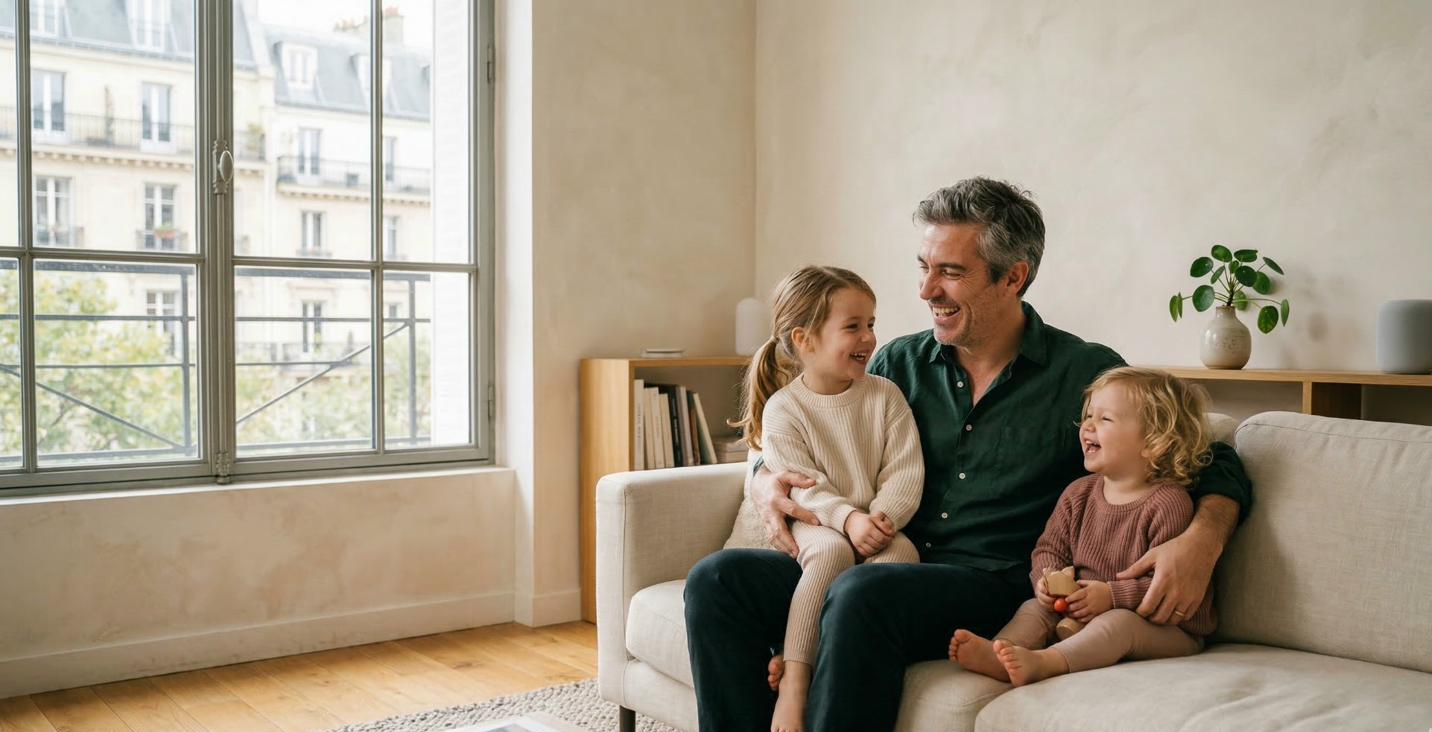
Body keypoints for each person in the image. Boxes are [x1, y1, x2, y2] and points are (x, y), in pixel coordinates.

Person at [684, 177, 1253, 732]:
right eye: (924, 267)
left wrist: (1203, 540)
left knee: (862, 594)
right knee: (718, 579)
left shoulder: (1082, 372)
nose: (926, 290)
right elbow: (806, 424)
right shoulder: (896, 365)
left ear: (1014, 277)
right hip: (879, 561)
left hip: (988, 587)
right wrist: (764, 475)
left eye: (951, 272)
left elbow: (1207, 454)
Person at [727, 265, 924, 732]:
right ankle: (795, 683)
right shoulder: (784, 409)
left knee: (901, 555)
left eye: (871, 323)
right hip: (814, 525)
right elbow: (802, 486)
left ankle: (817, 658)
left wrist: (880, 519)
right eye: (853, 326)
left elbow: (904, 470)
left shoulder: (885, 396)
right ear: (805, 340)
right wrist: (849, 520)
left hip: (874, 525)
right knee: (832, 552)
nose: (868, 337)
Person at [950, 367, 1217, 686]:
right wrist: (1047, 580)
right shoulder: (1078, 494)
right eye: (1088, 415)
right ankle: (1001, 653)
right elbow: (1049, 549)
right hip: (1078, 609)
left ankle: (1047, 662)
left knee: (1119, 624)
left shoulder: (1168, 503)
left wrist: (1111, 596)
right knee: (1034, 608)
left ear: (1153, 442)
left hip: (1165, 628)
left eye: (1105, 419)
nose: (1087, 425)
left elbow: (1168, 587)